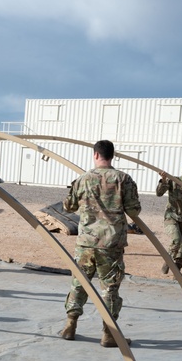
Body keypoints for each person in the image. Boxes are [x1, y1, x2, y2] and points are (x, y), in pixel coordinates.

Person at [59, 140, 141, 347]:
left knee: (79, 283)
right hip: (111, 244)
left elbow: (68, 206)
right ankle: (109, 333)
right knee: (109, 289)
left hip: (86, 242)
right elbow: (133, 211)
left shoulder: (82, 180)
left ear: (95, 155)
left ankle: (70, 324)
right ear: (112, 156)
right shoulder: (124, 179)